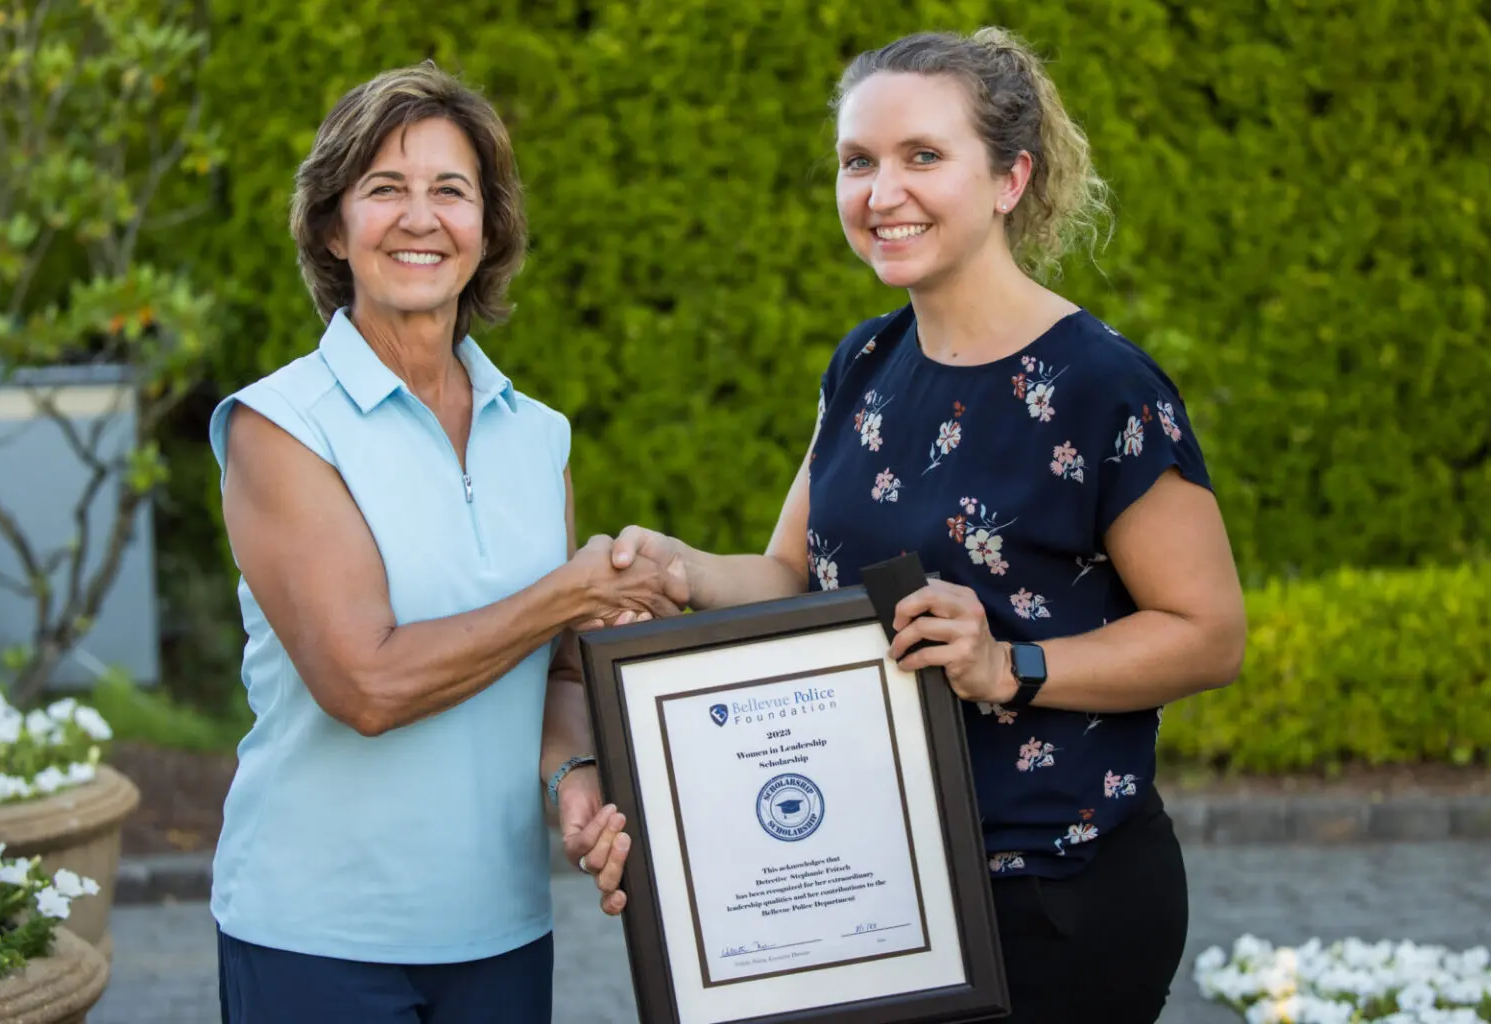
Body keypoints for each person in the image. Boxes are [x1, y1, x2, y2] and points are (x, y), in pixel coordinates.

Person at [578, 27, 1247, 1023]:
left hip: (1055, 895)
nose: (881, 191)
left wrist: (1012, 666)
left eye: (921, 157)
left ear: (1010, 179)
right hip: (879, 885)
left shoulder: (1102, 388)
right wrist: (680, 569)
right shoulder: (865, 361)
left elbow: (1210, 632)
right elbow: (792, 576)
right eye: (860, 162)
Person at [207, 63, 670, 1023]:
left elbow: (560, 674)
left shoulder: (537, 434)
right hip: (316, 940)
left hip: (502, 930)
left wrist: (574, 777)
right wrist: (568, 596)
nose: (421, 218)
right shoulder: (280, 426)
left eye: (450, 191)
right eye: (385, 189)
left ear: (488, 228)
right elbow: (365, 687)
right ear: (334, 227)